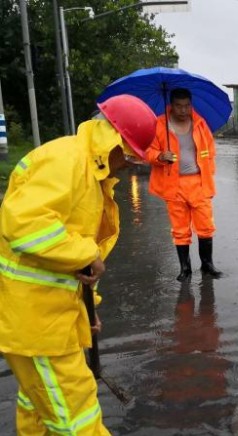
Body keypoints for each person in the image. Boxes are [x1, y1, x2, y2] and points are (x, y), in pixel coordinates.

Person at [0, 94, 157, 435]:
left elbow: (78, 265)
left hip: (48, 318)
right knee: (78, 418)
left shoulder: (93, 176)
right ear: (113, 141)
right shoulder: (68, 161)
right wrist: (85, 251)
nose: (130, 165)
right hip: (38, 324)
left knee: (39, 406)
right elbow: (23, 226)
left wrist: (89, 312)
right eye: (129, 156)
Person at [145, 88, 222, 280]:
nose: (183, 110)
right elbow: (147, 151)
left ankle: (207, 265)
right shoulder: (159, 125)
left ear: (191, 104)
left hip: (198, 183)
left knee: (205, 226)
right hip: (173, 184)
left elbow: (210, 151)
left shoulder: (200, 123)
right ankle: (185, 269)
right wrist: (160, 156)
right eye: (179, 106)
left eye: (187, 105)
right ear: (171, 105)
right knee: (180, 229)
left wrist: (208, 174)